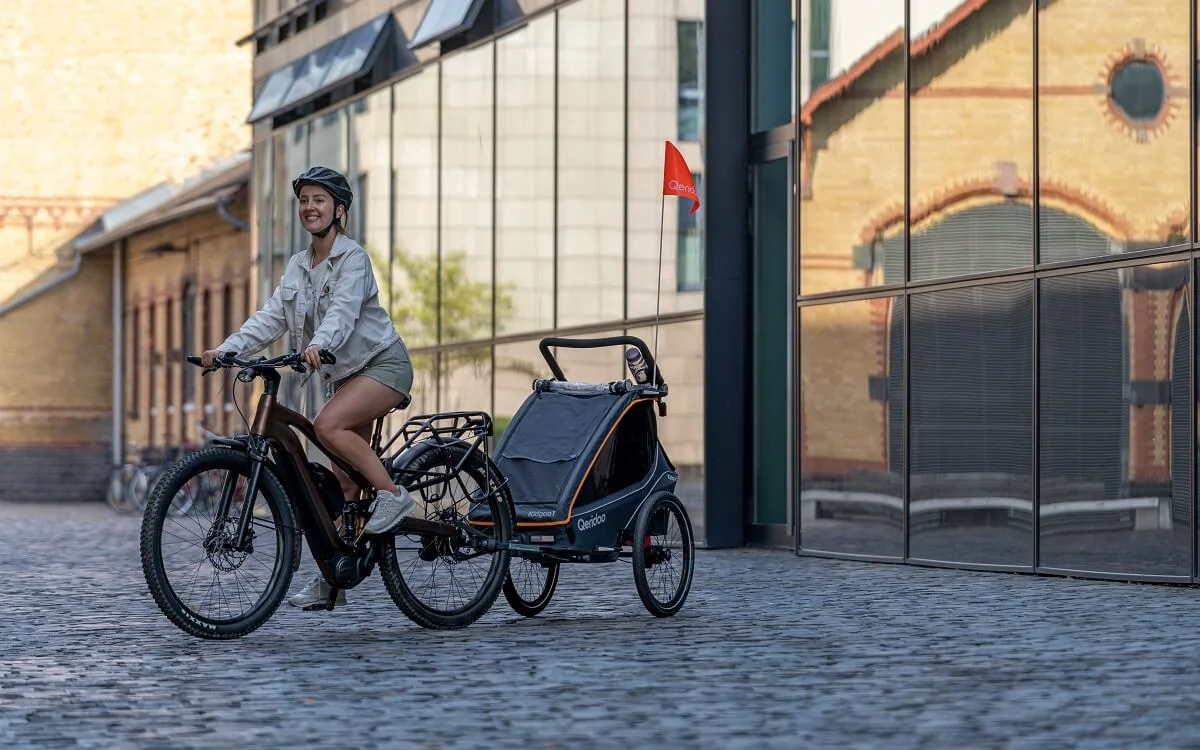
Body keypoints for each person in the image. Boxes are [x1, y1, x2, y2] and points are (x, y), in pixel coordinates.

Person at [201, 165, 415, 610]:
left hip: (383, 365)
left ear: (339, 210)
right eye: (303, 201)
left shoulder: (353, 258)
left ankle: (395, 498)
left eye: (319, 200)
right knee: (346, 486)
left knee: (326, 427)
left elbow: (343, 311)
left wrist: (320, 344)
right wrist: (226, 350)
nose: (309, 208)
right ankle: (335, 577)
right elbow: (270, 317)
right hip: (346, 376)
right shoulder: (299, 266)